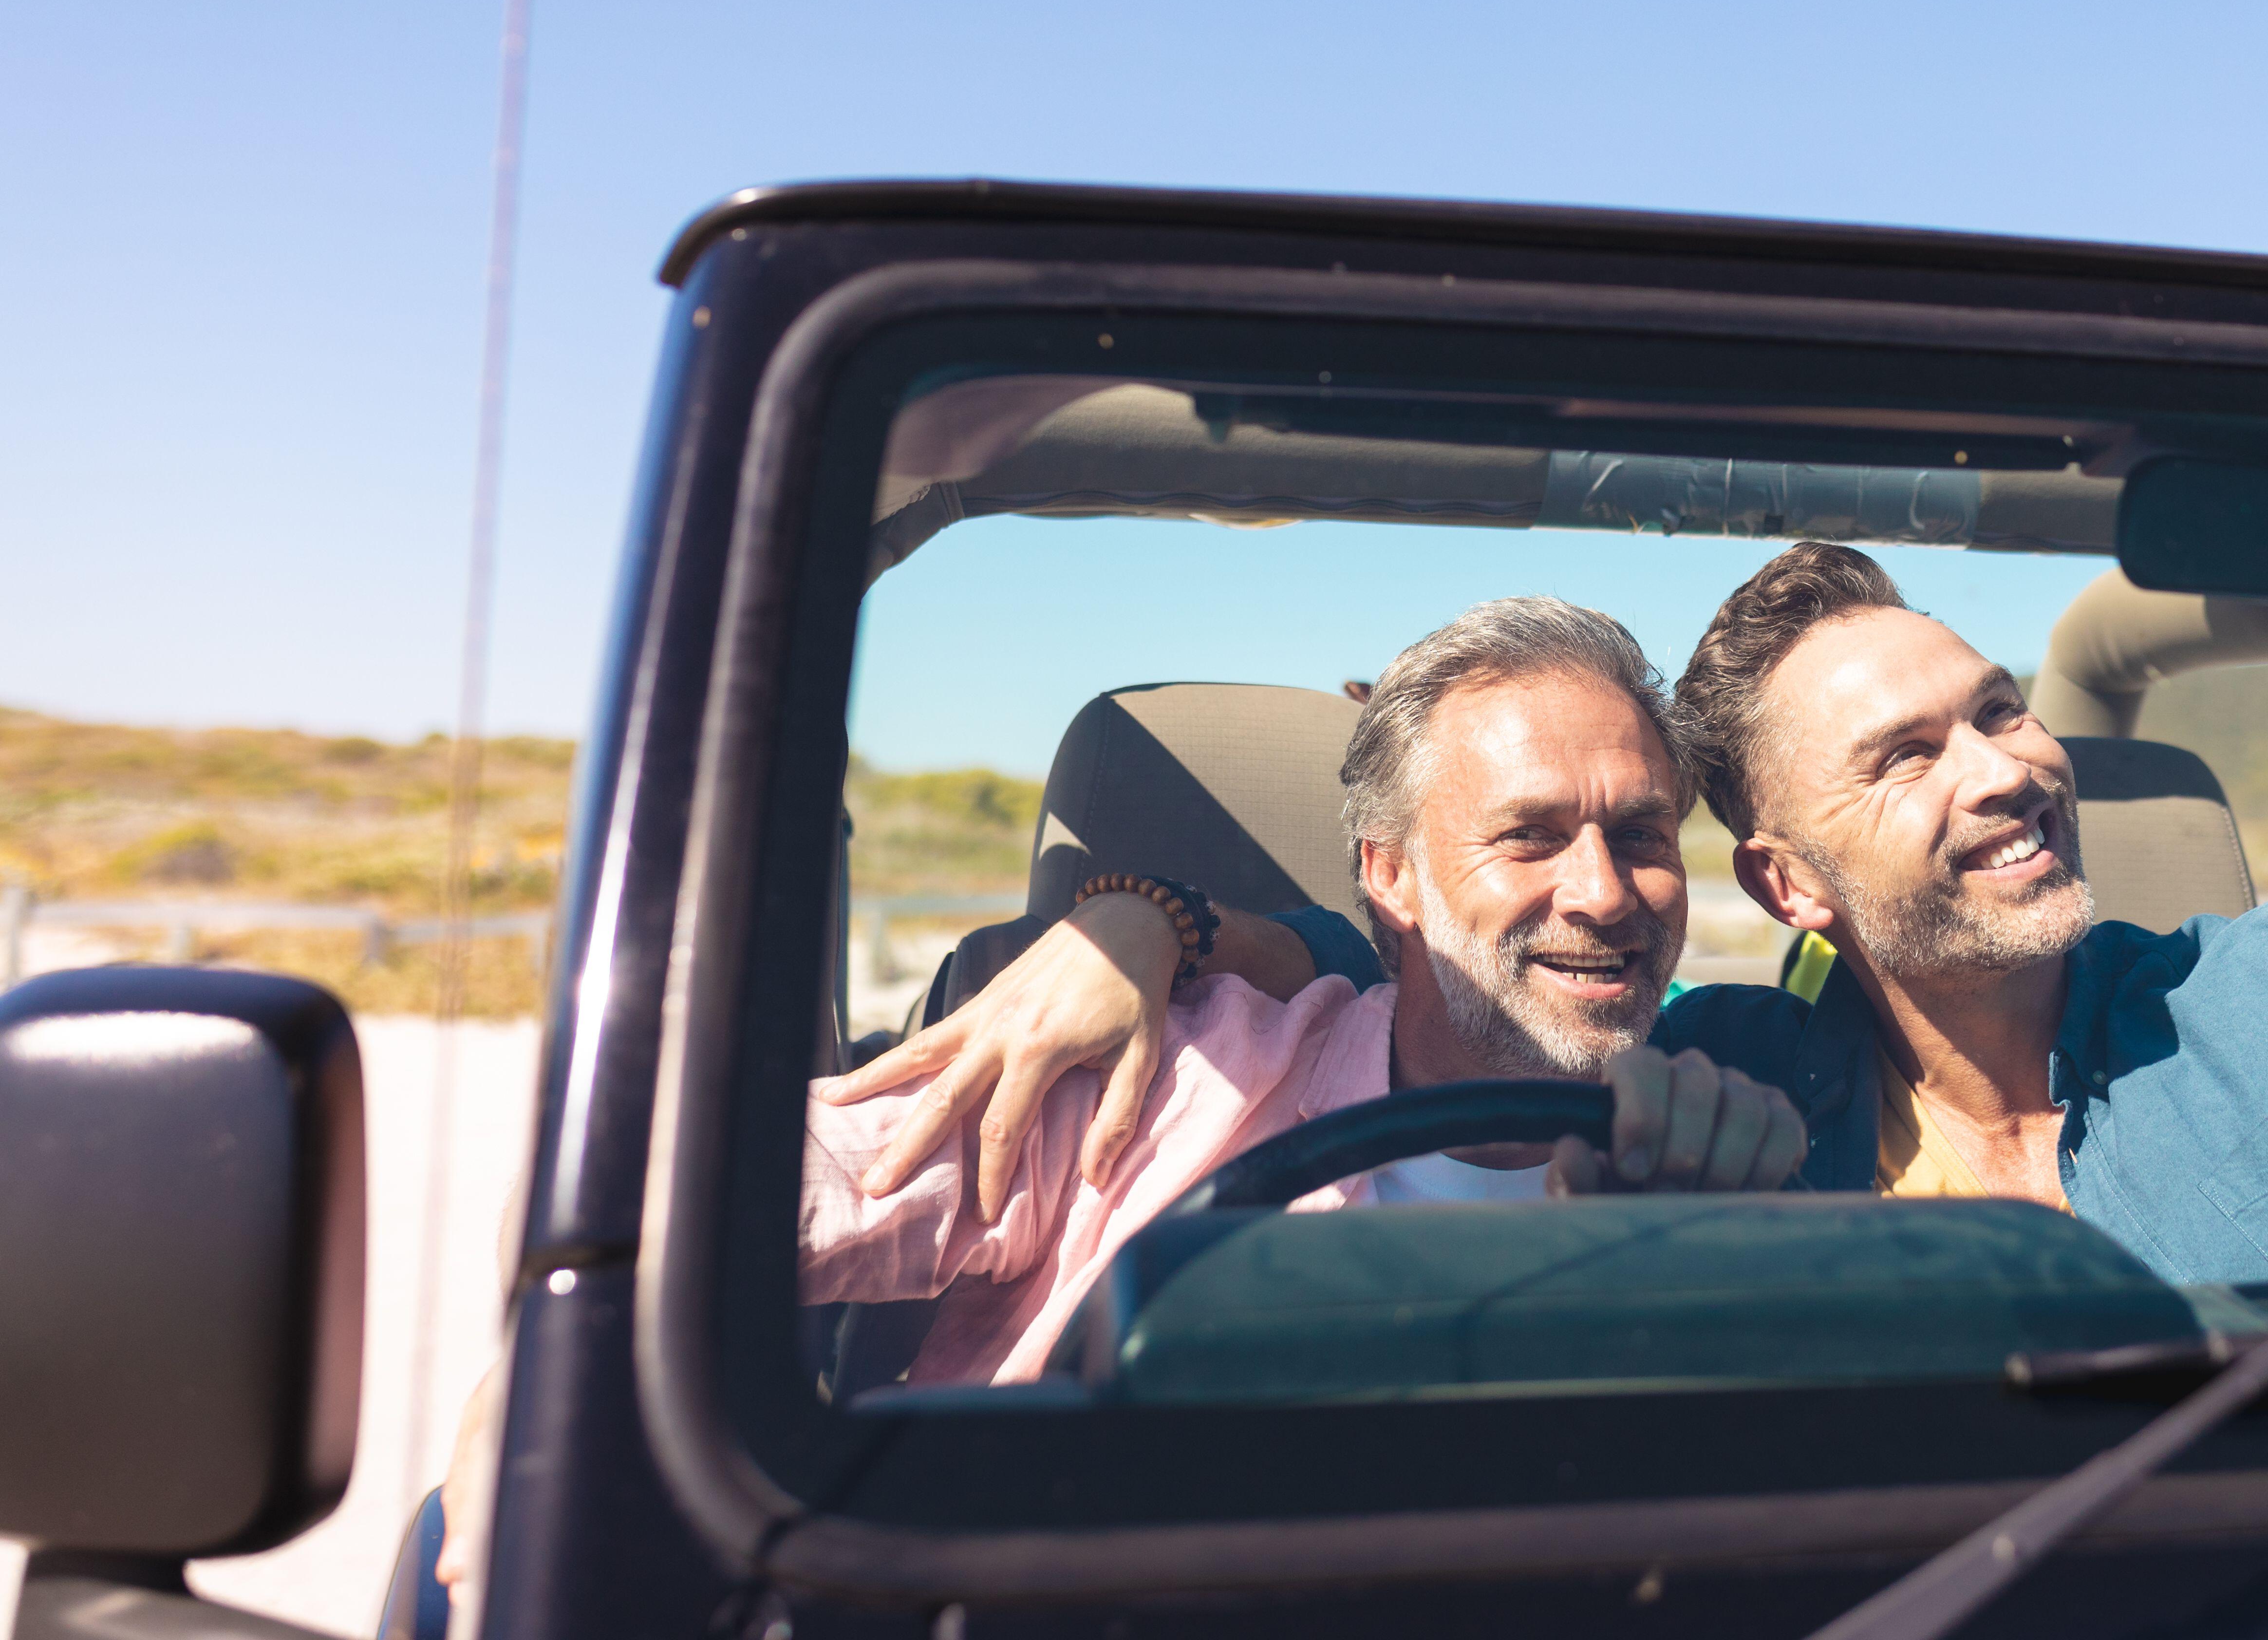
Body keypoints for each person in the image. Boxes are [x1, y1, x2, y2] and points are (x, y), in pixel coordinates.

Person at [844, 138, 2268, 1285]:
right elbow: (1422, 1005)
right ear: (1783, 877)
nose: (2009, 765)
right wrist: (1143, 922)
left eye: (1993, 710)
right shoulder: (1700, 1088)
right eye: (1909, 753)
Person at [434, 599, 1803, 1605]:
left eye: (1641, 835)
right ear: (1389, 876)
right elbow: (635, 1204)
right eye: (1530, 834)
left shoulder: (1735, 1136)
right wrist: (551, 1388)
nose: (1606, 893)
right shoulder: (1166, 1080)